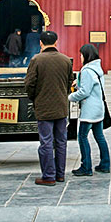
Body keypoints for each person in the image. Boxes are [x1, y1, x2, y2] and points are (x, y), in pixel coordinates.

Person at [25, 31, 74, 186]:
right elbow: (69, 82)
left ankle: (48, 176)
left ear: (41, 43)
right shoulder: (66, 60)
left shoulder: (36, 60)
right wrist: (62, 95)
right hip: (61, 107)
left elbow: (29, 84)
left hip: (44, 107)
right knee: (61, 141)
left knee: (46, 142)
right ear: (56, 42)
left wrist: (35, 98)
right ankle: (60, 174)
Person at [68, 44, 110, 176]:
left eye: (81, 54)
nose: (80, 57)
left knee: (82, 137)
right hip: (98, 108)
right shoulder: (98, 69)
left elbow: (85, 92)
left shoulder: (86, 71)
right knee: (100, 137)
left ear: (86, 55)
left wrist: (71, 97)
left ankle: (86, 166)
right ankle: (105, 164)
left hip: (89, 110)